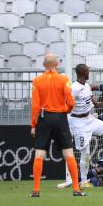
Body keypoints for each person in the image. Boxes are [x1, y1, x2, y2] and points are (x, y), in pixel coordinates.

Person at [29, 53, 86, 197]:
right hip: (60, 118)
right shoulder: (64, 79)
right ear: (57, 64)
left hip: (44, 117)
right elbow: (71, 102)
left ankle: (36, 191)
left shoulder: (37, 81)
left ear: (43, 65)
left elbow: (35, 106)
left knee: (39, 154)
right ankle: (76, 189)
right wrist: (65, 110)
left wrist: (33, 124)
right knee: (68, 153)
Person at [57, 64, 103, 189]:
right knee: (86, 153)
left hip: (90, 119)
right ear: (83, 73)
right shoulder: (74, 88)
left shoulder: (87, 87)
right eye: (88, 71)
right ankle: (84, 181)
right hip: (78, 123)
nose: (89, 72)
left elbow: (96, 105)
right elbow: (65, 105)